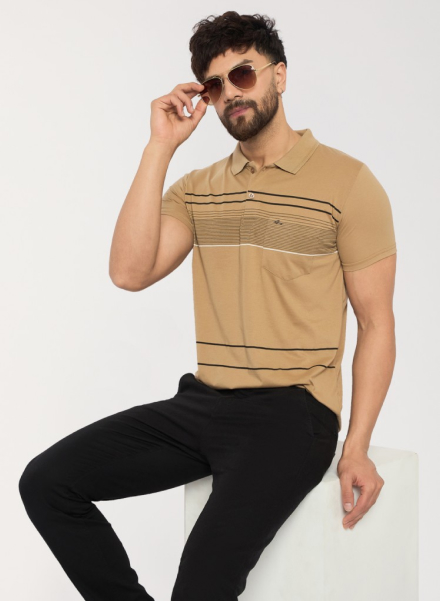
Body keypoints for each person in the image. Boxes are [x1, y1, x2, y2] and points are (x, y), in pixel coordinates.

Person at [19, 10, 397, 601]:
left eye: (242, 74)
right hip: (203, 404)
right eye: (215, 85)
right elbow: (128, 272)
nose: (230, 94)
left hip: (292, 417)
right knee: (47, 483)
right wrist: (160, 146)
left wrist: (358, 448)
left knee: (200, 586)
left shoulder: (348, 183)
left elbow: (376, 323)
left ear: (279, 76)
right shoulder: (198, 189)